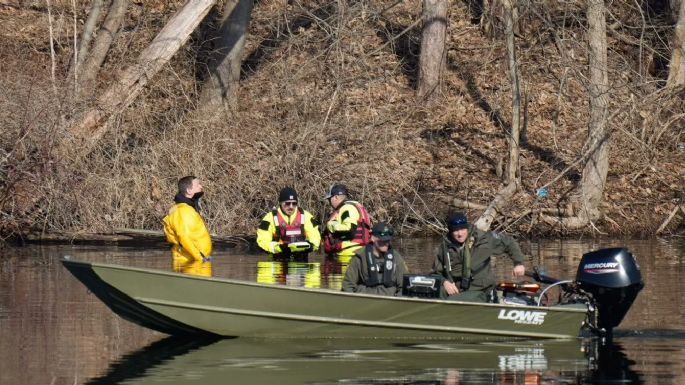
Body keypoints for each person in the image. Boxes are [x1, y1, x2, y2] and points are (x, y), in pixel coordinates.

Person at [432, 212, 525, 302]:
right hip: (457, 288)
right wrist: (445, 282)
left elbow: (509, 242)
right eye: (456, 231)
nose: (460, 234)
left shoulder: (483, 239)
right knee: (433, 293)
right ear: (451, 231)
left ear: (467, 228)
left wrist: (518, 263)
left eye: (462, 229)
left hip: (480, 290)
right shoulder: (444, 247)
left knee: (452, 301)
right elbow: (435, 273)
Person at [162, 176, 212, 277]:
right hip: (189, 263)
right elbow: (183, 237)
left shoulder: (188, 208)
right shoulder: (183, 211)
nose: (201, 187)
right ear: (189, 190)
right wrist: (200, 258)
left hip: (195, 262)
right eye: (198, 185)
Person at [342, 222, 408, 295]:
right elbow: (348, 285)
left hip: (389, 300)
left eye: (388, 240)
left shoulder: (396, 258)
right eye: (383, 240)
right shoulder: (359, 257)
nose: (387, 243)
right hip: (364, 299)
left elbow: (404, 286)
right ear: (372, 238)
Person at [256, 187, 321, 261]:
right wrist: (280, 247)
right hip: (278, 262)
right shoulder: (269, 218)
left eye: (294, 203)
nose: (291, 206)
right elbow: (262, 241)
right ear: (280, 203)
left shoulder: (306, 216)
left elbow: (315, 238)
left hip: (302, 263)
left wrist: (310, 246)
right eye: (287, 203)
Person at [322, 184, 372, 261]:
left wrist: (331, 225)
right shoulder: (353, 206)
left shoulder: (347, 208)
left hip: (349, 254)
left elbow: (349, 229)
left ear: (336, 197)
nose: (329, 202)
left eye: (329, 199)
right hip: (357, 252)